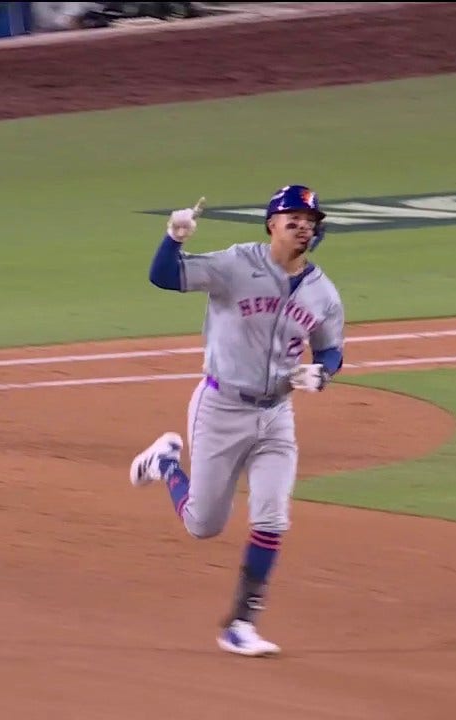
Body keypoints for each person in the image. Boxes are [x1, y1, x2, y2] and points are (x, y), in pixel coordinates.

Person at [129, 185, 346, 656]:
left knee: (272, 515)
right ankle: (166, 463)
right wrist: (174, 237)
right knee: (203, 525)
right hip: (221, 408)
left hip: (276, 416)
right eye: (293, 216)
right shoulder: (235, 264)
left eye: (310, 219)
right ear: (272, 223)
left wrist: (321, 373)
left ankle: (241, 624)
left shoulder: (323, 293)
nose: (303, 224)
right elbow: (164, 277)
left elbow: (331, 349)